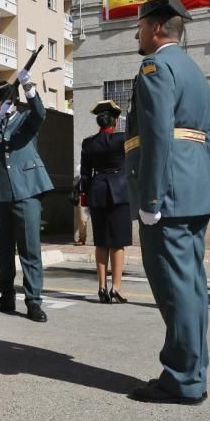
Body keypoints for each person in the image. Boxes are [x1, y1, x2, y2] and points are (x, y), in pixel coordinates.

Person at [125, 0, 210, 406]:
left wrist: (150, 196)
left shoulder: (156, 67)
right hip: (193, 191)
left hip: (168, 195)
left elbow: (158, 135)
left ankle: (182, 378)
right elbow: (208, 140)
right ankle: (193, 370)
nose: (138, 33)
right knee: (192, 286)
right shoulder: (194, 71)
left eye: (141, 26)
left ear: (158, 28)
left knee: (175, 288)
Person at [0, 73, 53, 322]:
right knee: (4, 251)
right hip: (0, 193)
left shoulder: (25, 119)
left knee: (30, 250)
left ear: (9, 101)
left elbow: (40, 114)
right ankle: (6, 297)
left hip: (26, 192)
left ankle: (33, 301)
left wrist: (28, 87)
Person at [79, 99, 131, 304]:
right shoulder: (123, 139)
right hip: (120, 191)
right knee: (118, 243)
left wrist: (85, 198)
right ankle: (116, 288)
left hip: (98, 190)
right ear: (115, 121)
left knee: (101, 242)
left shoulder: (88, 142)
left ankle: (101, 287)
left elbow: (85, 173)